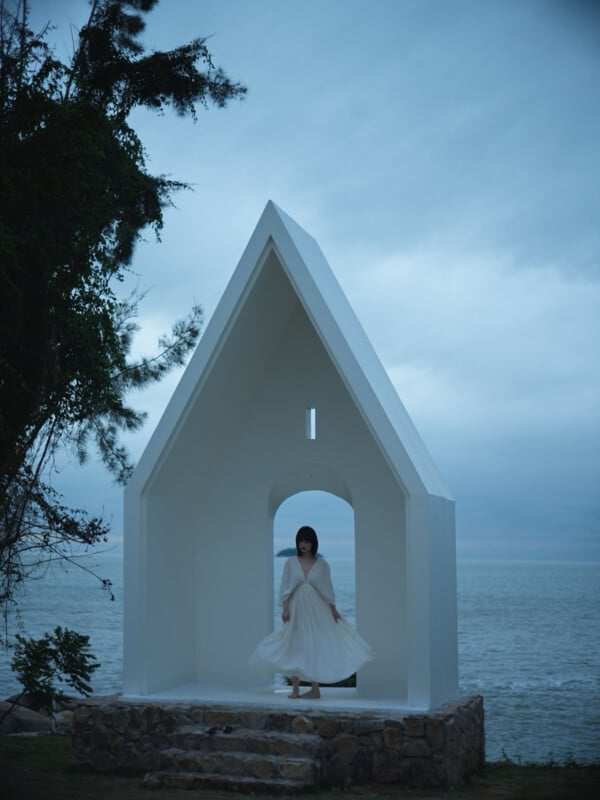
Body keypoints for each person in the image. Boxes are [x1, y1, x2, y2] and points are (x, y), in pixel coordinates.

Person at [249, 525, 374, 699]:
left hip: (317, 609)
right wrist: (285, 609)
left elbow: (327, 589)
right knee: (294, 644)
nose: (303, 544)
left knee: (314, 645)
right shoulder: (290, 562)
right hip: (297, 608)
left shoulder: (322, 564)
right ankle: (295, 690)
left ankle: (315, 689)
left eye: (307, 541)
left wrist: (333, 609)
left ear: (313, 543)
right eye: (301, 540)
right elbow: (285, 587)